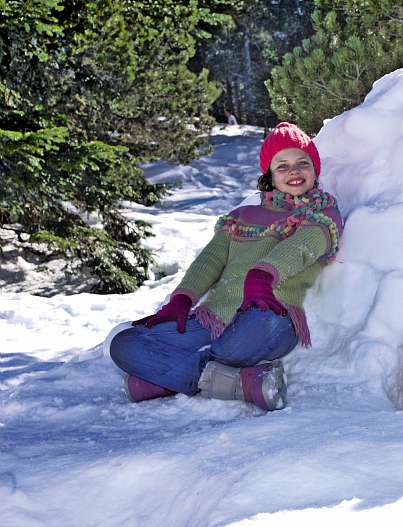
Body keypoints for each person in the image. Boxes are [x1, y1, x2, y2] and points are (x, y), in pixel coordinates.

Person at [109, 122, 342, 410]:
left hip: (271, 318)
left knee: (246, 336)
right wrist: (182, 299)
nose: (293, 171)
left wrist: (261, 275)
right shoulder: (242, 216)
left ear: (315, 170)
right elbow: (211, 260)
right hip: (214, 320)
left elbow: (301, 248)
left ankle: (164, 380)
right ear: (269, 174)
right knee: (124, 344)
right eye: (282, 165)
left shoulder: (323, 213)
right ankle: (236, 383)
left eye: (302, 162)